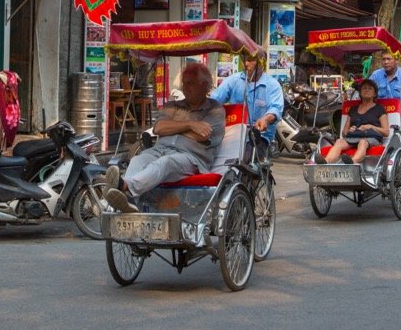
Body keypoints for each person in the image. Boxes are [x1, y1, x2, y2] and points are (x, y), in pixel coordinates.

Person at [103, 62, 226, 213]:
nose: (186, 87)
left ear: (205, 85)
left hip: (191, 158)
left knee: (165, 162)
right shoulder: (172, 105)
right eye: (184, 83)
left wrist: (173, 128)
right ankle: (128, 199)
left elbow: (202, 136)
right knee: (138, 159)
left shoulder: (215, 110)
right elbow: (159, 128)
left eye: (191, 83)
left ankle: (125, 188)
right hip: (159, 149)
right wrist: (190, 125)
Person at [211, 52, 284, 143]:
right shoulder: (233, 80)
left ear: (261, 62)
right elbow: (215, 99)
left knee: (248, 154)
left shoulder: (272, 85)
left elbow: (275, 109)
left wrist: (266, 119)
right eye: (243, 60)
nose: (245, 64)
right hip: (234, 135)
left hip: (259, 137)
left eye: (250, 60)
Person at [319, 79, 388, 164]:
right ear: (360, 92)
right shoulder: (353, 109)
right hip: (354, 136)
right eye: (364, 88)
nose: (366, 90)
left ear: (374, 94)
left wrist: (371, 126)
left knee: (363, 142)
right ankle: (325, 162)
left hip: (371, 137)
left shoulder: (379, 109)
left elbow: (386, 132)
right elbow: (344, 132)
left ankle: (352, 162)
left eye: (370, 88)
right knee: (339, 142)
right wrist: (350, 130)